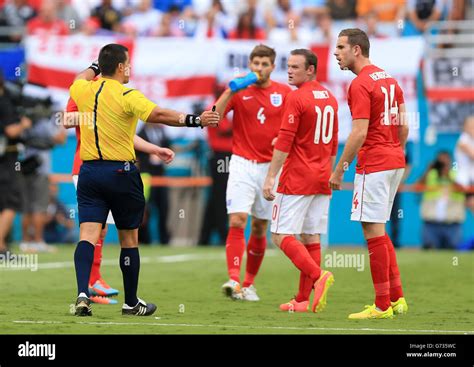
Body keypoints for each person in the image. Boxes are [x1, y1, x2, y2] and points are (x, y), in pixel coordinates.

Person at [69, 43, 219, 316]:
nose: (130, 68)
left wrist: (93, 68)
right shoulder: (127, 94)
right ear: (120, 67)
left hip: (89, 172)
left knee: (87, 236)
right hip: (120, 173)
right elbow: (159, 114)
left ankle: (82, 292)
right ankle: (131, 303)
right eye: (127, 63)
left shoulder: (83, 90)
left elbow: (79, 79)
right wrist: (195, 120)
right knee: (129, 239)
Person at [330, 28, 409, 319]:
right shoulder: (388, 78)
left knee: (371, 231)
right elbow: (404, 126)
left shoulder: (360, 84)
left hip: (375, 163)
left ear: (357, 50)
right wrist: (395, 153)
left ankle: (381, 305)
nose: (336, 53)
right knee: (380, 230)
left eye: (340, 47)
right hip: (393, 161)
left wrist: (339, 169)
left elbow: (359, 132)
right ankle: (397, 298)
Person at [213, 44, 292, 301]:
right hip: (242, 164)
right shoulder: (239, 88)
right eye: (255, 64)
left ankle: (248, 284)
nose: (259, 69)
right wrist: (230, 90)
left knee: (259, 227)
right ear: (250, 64)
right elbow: (215, 116)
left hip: (271, 168)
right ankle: (234, 279)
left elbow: (295, 125)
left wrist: (281, 137)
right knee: (237, 220)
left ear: (272, 66)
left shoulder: (284, 92)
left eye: (264, 64)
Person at [262, 49, 338, 313]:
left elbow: (285, 140)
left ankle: (319, 276)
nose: (290, 70)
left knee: (279, 234)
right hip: (321, 176)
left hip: (297, 177)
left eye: (296, 67)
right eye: (289, 66)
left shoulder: (296, 97)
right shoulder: (330, 98)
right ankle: (303, 300)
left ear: (311, 70)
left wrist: (271, 175)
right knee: (310, 236)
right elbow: (331, 143)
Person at [0, 71, 32, 257]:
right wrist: (24, 124)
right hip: (7, 159)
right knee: (11, 202)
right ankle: (1, 247)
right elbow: (12, 131)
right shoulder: (5, 103)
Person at [419, 151, 465, 249]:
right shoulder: (431, 174)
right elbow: (418, 187)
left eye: (445, 161)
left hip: (452, 224)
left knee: (453, 249)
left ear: (450, 161)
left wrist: (447, 174)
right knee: (430, 249)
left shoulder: (457, 174)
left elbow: (462, 189)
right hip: (431, 223)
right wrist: (427, 170)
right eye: (440, 161)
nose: (443, 164)